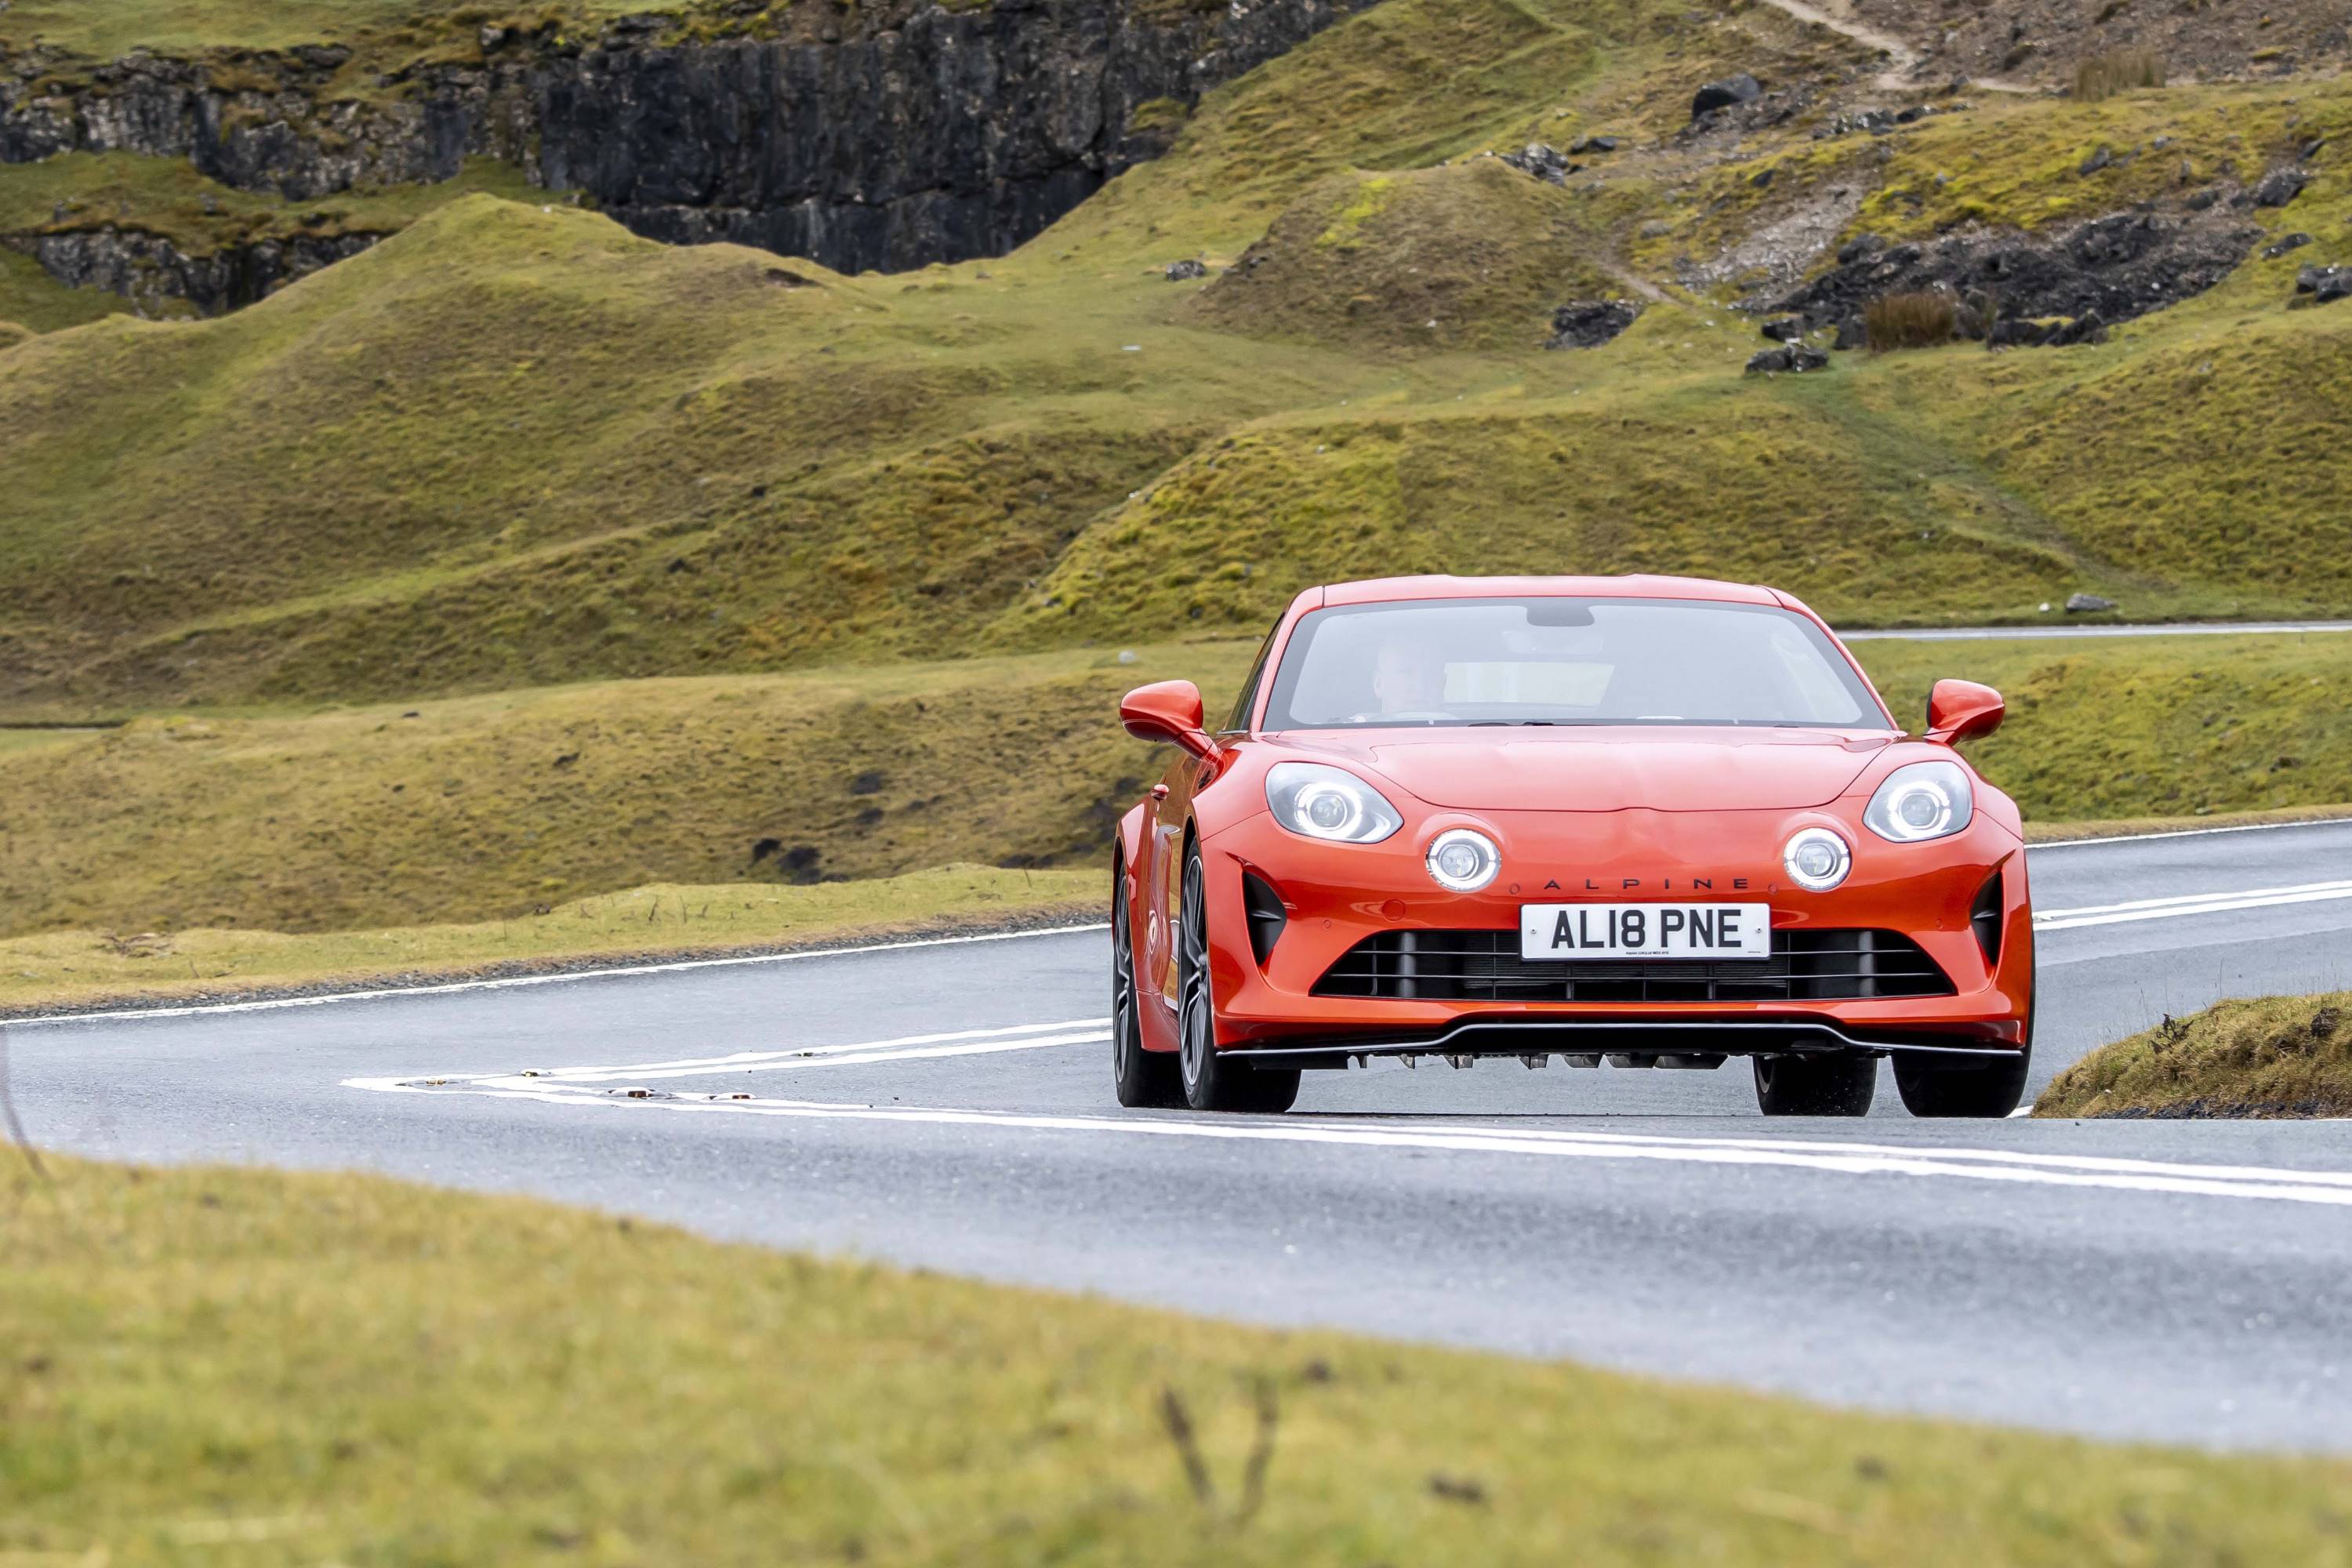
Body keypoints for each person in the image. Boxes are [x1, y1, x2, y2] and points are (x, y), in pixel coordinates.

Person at [1370, 637, 1449, 716]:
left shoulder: (1460, 727)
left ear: (1442, 685)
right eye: (1406, 673)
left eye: (1431, 674)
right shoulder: (1358, 728)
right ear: (1378, 684)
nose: (1420, 686)